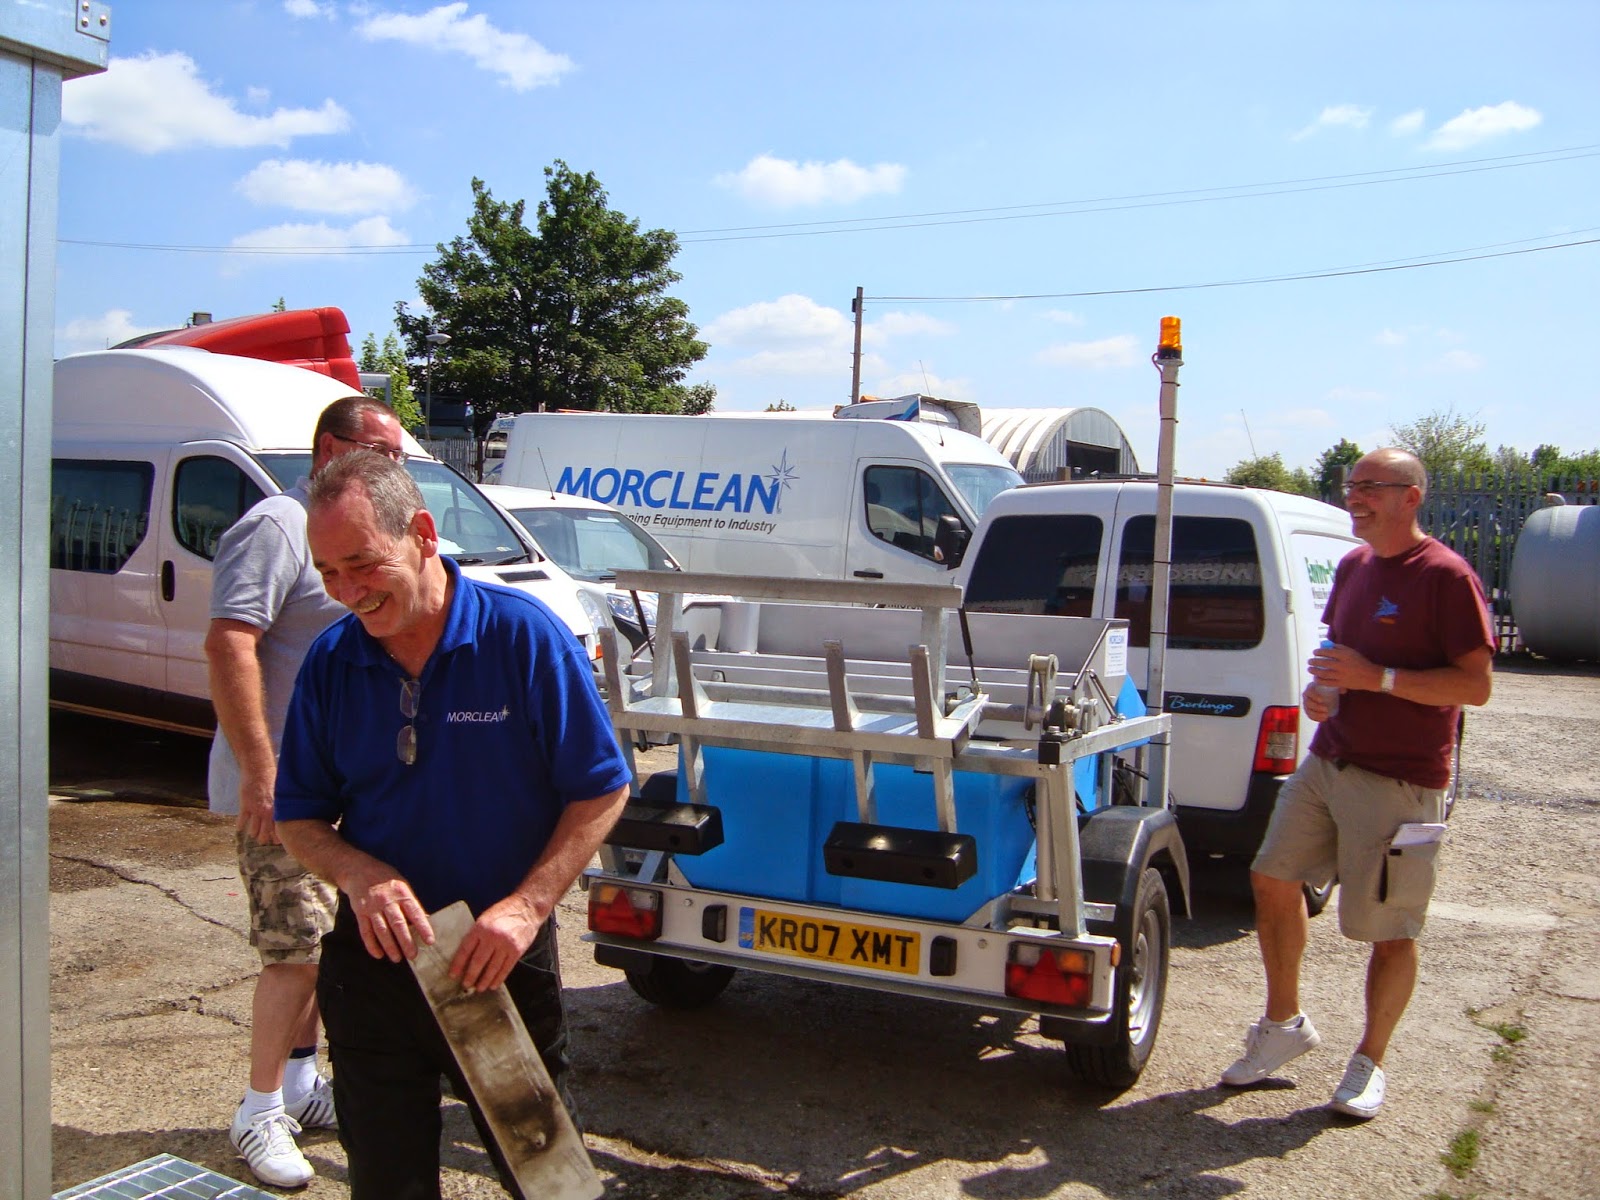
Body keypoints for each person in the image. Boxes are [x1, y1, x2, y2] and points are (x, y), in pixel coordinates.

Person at [274, 451, 632, 1200]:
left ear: (424, 534)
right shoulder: (331, 663)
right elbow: (298, 817)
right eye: (328, 571)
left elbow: (601, 788)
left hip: (494, 959)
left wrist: (528, 908)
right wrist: (357, 873)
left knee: (549, 1183)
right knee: (387, 1184)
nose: (347, 593)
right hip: (375, 968)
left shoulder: (523, 640)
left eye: (362, 564)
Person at [1220, 447, 1494, 1119]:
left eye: (1372, 486)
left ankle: (1370, 1062)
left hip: (1402, 780)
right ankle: (1283, 1026)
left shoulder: (1446, 576)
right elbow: (1337, 659)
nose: (1356, 495)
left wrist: (1381, 680)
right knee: (1272, 878)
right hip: (1329, 760)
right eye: (1352, 484)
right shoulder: (1352, 566)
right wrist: (1323, 692)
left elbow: (1475, 686)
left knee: (1388, 928)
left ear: (1412, 497)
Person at [207, 395, 413, 1187]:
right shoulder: (276, 527)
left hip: (341, 784)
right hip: (284, 789)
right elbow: (229, 642)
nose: (395, 470)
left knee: (328, 945)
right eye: (385, 454)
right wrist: (261, 771)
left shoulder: (350, 530)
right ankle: (258, 1110)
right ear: (331, 447)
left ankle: (298, 1082)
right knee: (292, 950)